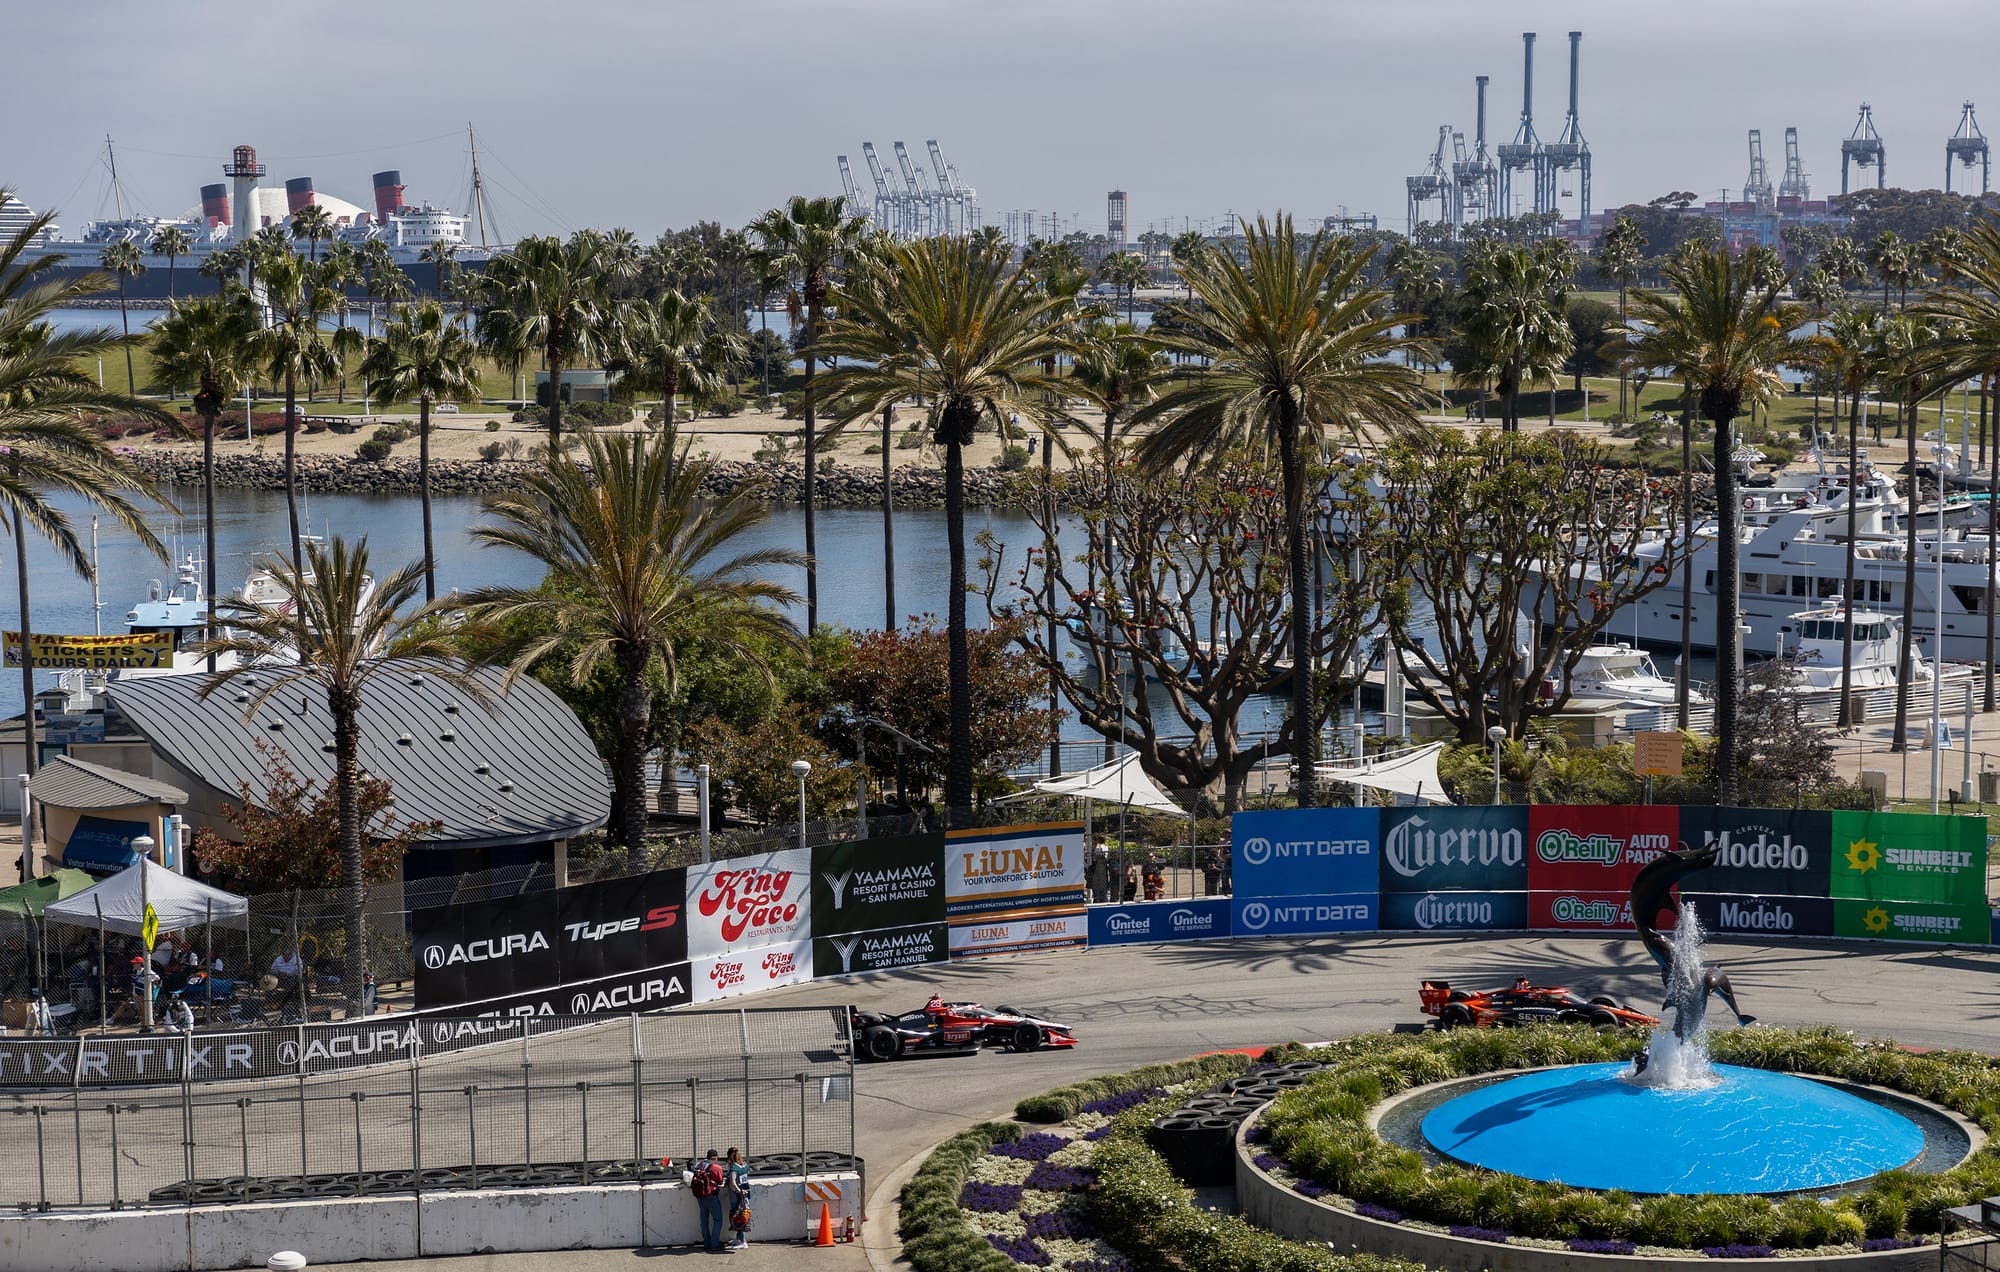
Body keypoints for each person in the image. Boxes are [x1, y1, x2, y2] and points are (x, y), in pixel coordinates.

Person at [689, 1148, 728, 1251]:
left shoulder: (699, 1165)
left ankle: (706, 1242)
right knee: (717, 1219)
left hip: (699, 1195)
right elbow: (720, 1182)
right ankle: (714, 1243)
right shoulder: (716, 1167)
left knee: (704, 1219)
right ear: (715, 1158)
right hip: (711, 1195)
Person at [723, 1147, 751, 1251]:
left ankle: (743, 1241)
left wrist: (738, 1190)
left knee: (737, 1217)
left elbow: (733, 1182)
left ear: (730, 1156)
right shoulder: (745, 1166)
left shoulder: (733, 1167)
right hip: (745, 1193)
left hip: (737, 1195)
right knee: (742, 1215)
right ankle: (739, 1239)